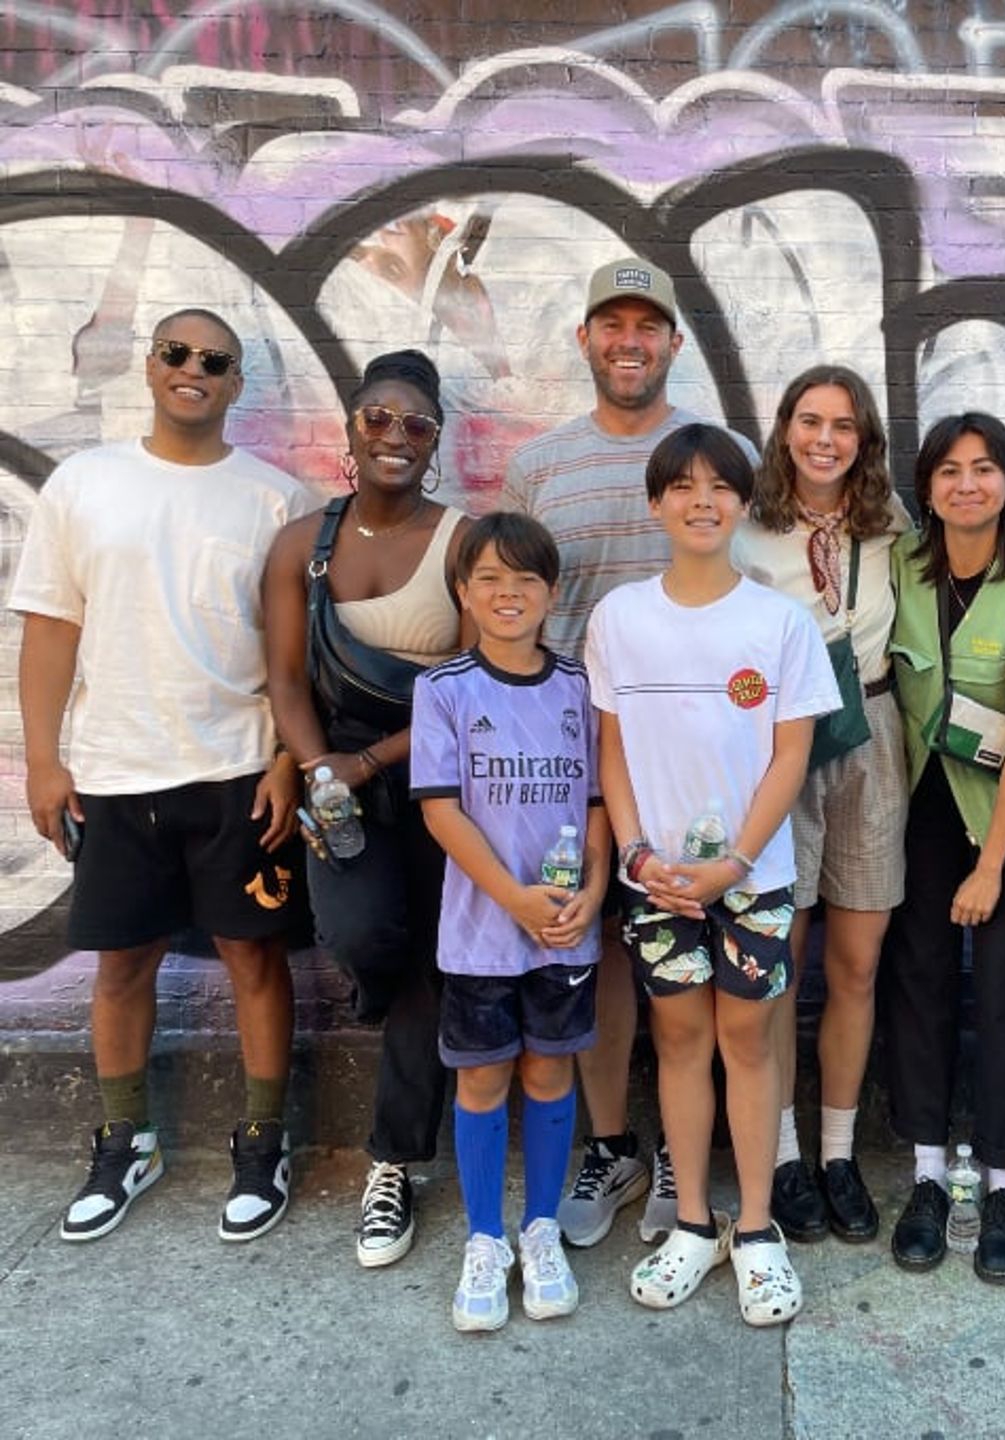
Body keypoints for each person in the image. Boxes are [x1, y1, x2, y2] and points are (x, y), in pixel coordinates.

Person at [11, 308, 313, 1243]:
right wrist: (43, 759)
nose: (194, 371)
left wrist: (282, 760)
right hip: (114, 768)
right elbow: (52, 626)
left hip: (236, 769)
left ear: (236, 385)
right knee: (121, 963)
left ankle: (265, 1141)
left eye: (215, 361)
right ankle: (122, 1139)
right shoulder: (86, 483)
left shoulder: (274, 497)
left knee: (254, 959)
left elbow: (291, 654)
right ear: (149, 367)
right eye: (177, 354)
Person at [500, 256, 759, 1249]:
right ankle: (615, 1148)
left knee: (693, 950)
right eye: (611, 324)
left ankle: (695, 1158)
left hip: (698, 759)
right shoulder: (540, 465)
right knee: (603, 948)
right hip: (570, 745)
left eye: (647, 326)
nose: (629, 342)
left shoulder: (719, 454)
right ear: (586, 341)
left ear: (673, 344)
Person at [585, 424, 839, 1326]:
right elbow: (611, 751)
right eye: (683, 486)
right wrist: (637, 854)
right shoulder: (618, 618)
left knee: (750, 1044)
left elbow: (789, 757)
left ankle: (758, 1229)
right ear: (655, 504)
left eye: (721, 486)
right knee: (681, 1043)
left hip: (755, 879)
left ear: (743, 501)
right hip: (656, 883)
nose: (703, 501)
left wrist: (733, 862)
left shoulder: (778, 621)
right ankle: (692, 1220)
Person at [263, 349, 471, 1268]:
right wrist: (317, 768)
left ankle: (393, 1164)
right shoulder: (300, 543)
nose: (395, 436)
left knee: (428, 964)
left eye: (415, 425)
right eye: (378, 419)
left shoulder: (466, 540)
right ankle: (393, 999)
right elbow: (283, 674)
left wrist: (368, 760)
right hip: (336, 783)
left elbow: (469, 686)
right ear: (351, 426)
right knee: (357, 938)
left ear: (437, 442)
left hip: (436, 773)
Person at [884, 413, 1005, 1283]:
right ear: (925, 488)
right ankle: (928, 1173)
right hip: (923, 804)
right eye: (949, 471)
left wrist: (993, 864)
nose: (967, 484)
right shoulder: (903, 568)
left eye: (985, 468)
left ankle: (1004, 1182)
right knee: (918, 981)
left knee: (999, 992)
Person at [410, 512, 610, 1333]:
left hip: (566, 929)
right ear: (462, 589)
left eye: (525, 579)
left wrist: (592, 891)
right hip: (482, 932)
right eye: (489, 578)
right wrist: (513, 897)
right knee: (485, 1077)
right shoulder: (445, 690)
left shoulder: (577, 688)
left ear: (552, 594)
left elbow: (598, 803)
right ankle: (486, 1239)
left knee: (551, 1074)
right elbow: (442, 812)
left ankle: (541, 1230)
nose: (508, 593)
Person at [731, 365, 910, 1244]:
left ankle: (839, 1153)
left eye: (844, 424)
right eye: (810, 421)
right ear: (785, 429)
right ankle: (782, 1155)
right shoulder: (747, 529)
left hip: (873, 734)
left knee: (856, 963)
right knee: (777, 961)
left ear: (865, 437)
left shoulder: (889, 524)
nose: (826, 439)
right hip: (778, 745)